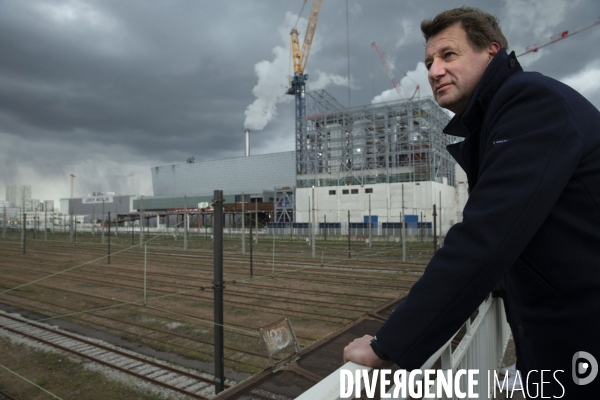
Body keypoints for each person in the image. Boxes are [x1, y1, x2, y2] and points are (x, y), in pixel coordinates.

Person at [343, 6, 600, 398]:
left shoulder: (530, 103)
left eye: (449, 55)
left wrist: (388, 346)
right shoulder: (494, 120)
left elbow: (484, 238)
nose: (433, 71)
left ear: (492, 51)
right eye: (429, 62)